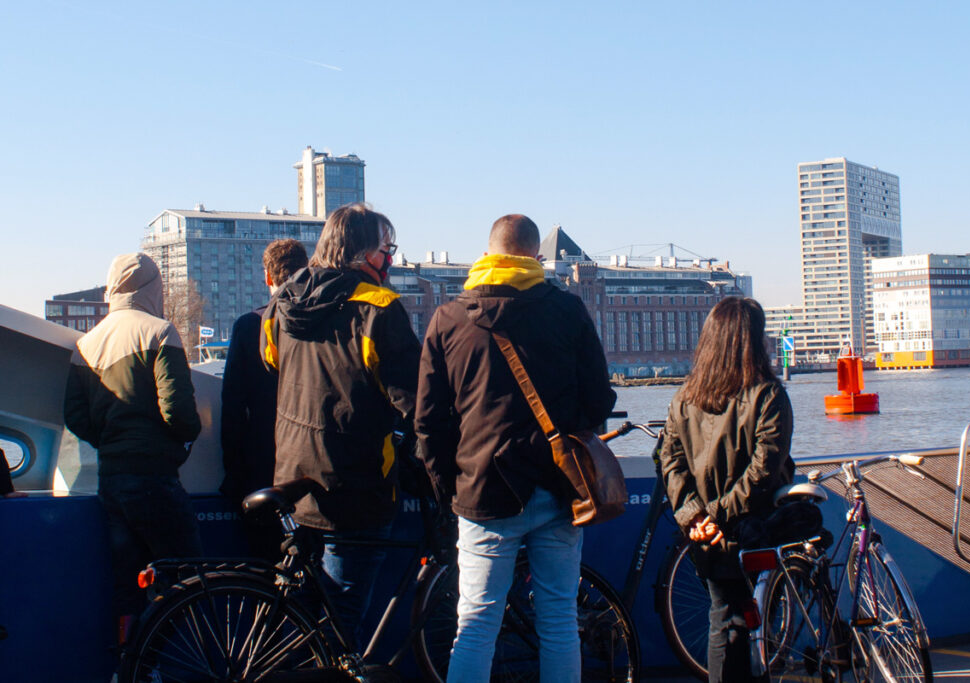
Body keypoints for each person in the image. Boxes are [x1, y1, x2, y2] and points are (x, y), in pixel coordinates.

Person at [415, 214, 616, 682]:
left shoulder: (448, 319)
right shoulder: (567, 311)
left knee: (476, 625)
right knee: (559, 622)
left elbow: (427, 421)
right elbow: (600, 399)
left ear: (486, 257)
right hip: (559, 488)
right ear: (536, 258)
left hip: (482, 490)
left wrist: (452, 487)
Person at [260, 203, 420, 648]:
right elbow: (412, 399)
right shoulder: (379, 307)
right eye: (387, 250)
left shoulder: (283, 301)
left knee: (303, 616)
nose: (390, 261)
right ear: (367, 253)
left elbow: (272, 362)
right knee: (340, 626)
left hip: (293, 475)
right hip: (354, 484)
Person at [64, 252, 203, 646]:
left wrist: (109, 442)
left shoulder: (86, 344)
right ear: (153, 288)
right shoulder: (159, 332)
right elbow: (178, 412)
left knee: (127, 585)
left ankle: (133, 664)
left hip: (112, 480)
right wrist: (183, 441)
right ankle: (176, 660)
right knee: (187, 577)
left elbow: (74, 415)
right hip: (155, 478)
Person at [661, 296, 795, 683]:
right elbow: (764, 470)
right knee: (760, 624)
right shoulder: (768, 395)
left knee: (723, 619)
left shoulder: (684, 398)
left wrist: (695, 516)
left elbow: (670, 462)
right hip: (755, 529)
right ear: (753, 340)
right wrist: (718, 514)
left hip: (707, 538)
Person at [221, 238, 308, 560]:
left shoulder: (249, 326)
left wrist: (232, 469)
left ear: (267, 276)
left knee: (263, 562)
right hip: (310, 467)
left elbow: (232, 404)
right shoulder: (325, 323)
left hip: (262, 463)